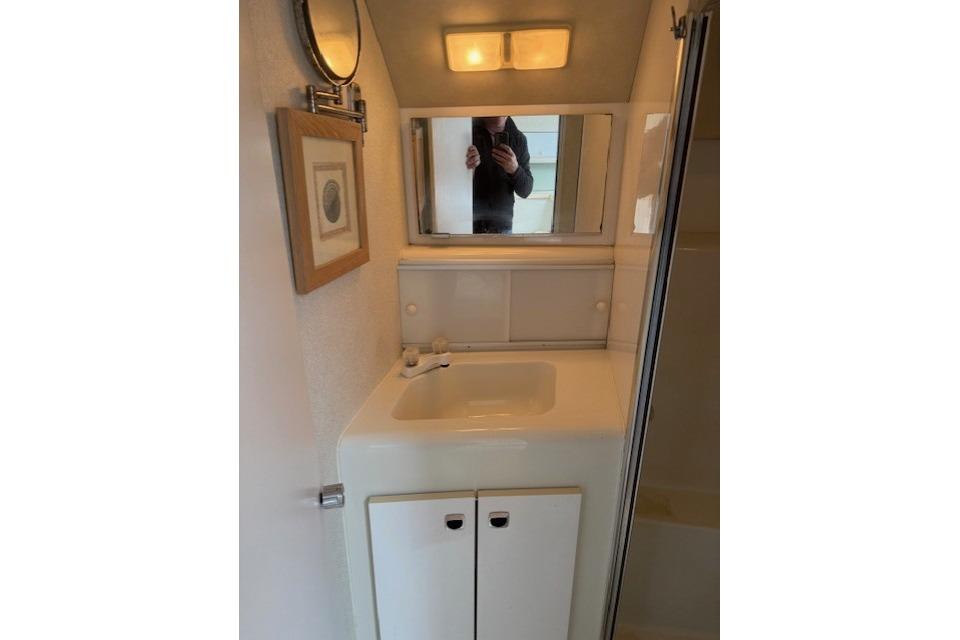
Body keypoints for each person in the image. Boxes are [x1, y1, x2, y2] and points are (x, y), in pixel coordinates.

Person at [465, 116, 534, 233]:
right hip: (468, 223)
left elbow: (526, 191)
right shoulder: (467, 132)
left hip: (502, 227)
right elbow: (450, 184)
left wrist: (515, 169)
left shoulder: (519, 139)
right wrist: (469, 170)